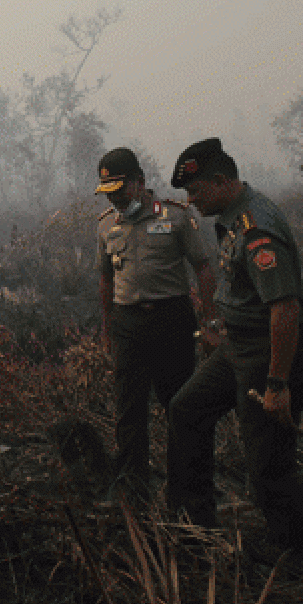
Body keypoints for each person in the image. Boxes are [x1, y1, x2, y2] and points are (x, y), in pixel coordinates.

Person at [166, 137, 303, 561]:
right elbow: (242, 290)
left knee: (267, 461)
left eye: (195, 192)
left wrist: (276, 382)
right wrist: (218, 325)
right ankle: (195, 522)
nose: (191, 201)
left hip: (270, 352)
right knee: (186, 409)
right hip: (238, 346)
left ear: (220, 182)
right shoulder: (231, 216)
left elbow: (285, 308)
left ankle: (295, 553)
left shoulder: (256, 227)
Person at [96, 147, 217, 504]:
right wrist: (107, 330)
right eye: (108, 192)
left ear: (140, 182)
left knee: (178, 405)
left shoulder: (176, 218)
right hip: (127, 323)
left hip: (171, 321)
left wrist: (209, 319)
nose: (116, 198)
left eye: (120, 189)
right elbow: (105, 280)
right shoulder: (106, 224)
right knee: (128, 408)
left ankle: (186, 491)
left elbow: (204, 268)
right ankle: (132, 487)